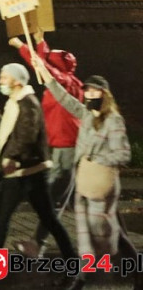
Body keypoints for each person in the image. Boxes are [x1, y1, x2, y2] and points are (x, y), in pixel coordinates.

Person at [28, 57, 131, 288]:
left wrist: (96, 159)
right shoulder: (85, 115)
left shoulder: (113, 121)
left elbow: (124, 155)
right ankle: (81, 278)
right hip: (83, 179)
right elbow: (63, 97)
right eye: (88, 91)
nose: (90, 95)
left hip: (103, 181)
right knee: (84, 230)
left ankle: (130, 263)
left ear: (105, 94)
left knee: (101, 228)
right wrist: (43, 71)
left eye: (95, 91)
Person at [0, 62, 76, 258]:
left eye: (4, 77)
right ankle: (72, 262)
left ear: (16, 81)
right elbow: (13, 134)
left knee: (2, 220)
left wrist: (11, 158)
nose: (0, 81)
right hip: (28, 170)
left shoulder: (27, 103)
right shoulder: (16, 102)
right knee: (47, 219)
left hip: (23, 172)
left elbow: (26, 136)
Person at [10, 31, 83, 257]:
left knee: (54, 200)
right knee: (57, 199)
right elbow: (43, 62)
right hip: (61, 145)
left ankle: (42, 246)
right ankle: (40, 244)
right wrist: (40, 40)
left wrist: (21, 45)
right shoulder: (67, 79)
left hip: (67, 147)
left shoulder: (64, 81)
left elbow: (43, 66)